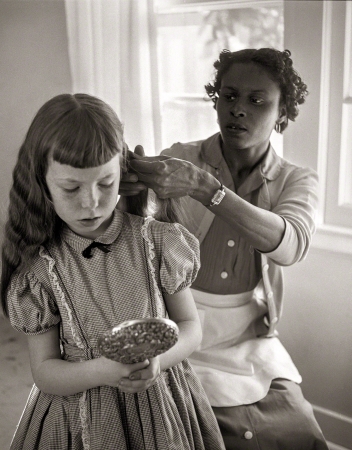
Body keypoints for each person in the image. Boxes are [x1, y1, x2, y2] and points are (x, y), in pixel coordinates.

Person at [121, 48, 329, 449]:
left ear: (282, 114)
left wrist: (207, 189)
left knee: (298, 430)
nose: (238, 109)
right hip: (175, 320)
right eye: (229, 96)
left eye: (257, 101)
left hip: (246, 332)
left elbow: (291, 246)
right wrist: (129, 189)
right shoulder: (179, 158)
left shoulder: (296, 180)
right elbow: (134, 231)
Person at [0, 93, 225, 449]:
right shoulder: (39, 271)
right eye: (71, 188)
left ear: (121, 171)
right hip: (83, 414)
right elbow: (44, 371)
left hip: (162, 404)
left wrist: (157, 361)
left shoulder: (159, 243)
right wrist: (104, 370)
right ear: (42, 183)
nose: (91, 203)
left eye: (106, 183)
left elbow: (191, 329)